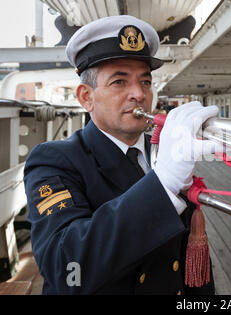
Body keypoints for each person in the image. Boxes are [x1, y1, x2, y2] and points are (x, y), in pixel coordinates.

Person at [23, 15, 220, 295]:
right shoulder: (53, 160)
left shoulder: (162, 152)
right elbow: (66, 267)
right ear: (85, 97)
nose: (139, 94)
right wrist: (163, 184)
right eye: (119, 82)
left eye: (146, 82)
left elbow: (187, 258)